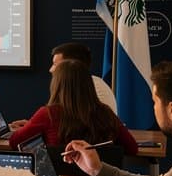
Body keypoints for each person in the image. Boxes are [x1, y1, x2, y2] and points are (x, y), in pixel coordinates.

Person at [7, 59, 138, 155]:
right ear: (88, 84)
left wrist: (33, 126)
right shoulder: (106, 112)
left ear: (57, 85)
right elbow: (132, 148)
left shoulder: (48, 114)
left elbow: (14, 142)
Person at [11, 42, 117, 130]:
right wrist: (35, 126)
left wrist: (36, 126)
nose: (51, 70)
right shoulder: (94, 85)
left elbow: (76, 130)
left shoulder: (83, 90)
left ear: (71, 65)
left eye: (55, 64)